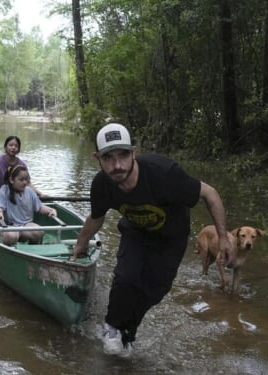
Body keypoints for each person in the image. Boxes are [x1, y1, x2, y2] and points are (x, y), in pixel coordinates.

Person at [70, 123, 231, 357]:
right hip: (135, 231)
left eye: (123, 155)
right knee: (127, 277)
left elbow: (210, 194)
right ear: (97, 158)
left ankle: (128, 334)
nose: (117, 166)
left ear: (133, 152)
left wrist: (224, 238)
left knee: (154, 291)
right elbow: (96, 219)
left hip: (171, 238)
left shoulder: (164, 174)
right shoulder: (102, 184)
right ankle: (111, 327)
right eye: (108, 158)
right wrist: (80, 245)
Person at [0, 165, 57, 245]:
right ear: (11, 180)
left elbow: (39, 207)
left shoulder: (30, 191)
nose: (25, 182)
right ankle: (7, 250)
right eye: (21, 180)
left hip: (26, 226)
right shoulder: (5, 190)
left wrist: (50, 210)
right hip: (10, 226)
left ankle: (33, 249)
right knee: (10, 236)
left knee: (39, 231)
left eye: (26, 180)